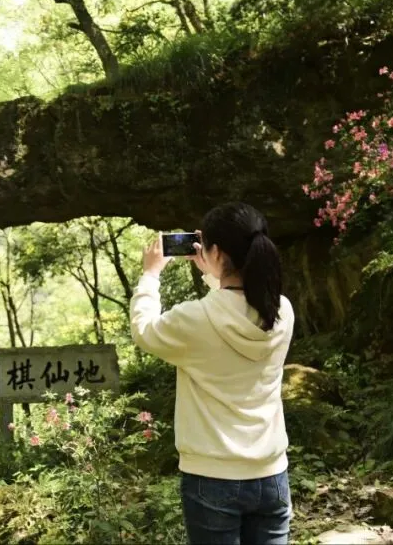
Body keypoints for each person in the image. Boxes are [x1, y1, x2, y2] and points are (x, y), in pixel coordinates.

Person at [130, 202, 295, 545]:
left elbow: (144, 330)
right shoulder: (282, 311)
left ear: (216, 252)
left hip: (212, 477)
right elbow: (233, 308)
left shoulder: (192, 320)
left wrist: (150, 274)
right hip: (271, 474)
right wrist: (214, 274)